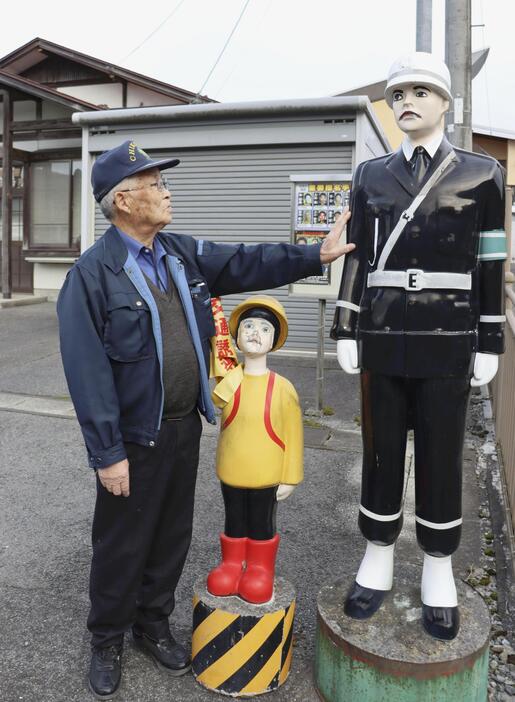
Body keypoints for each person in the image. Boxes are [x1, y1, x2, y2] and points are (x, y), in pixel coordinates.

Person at [57, 140, 354, 699]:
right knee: (122, 540)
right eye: (155, 185)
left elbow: (244, 260)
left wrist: (315, 256)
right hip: (133, 437)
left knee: (171, 532)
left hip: (183, 426)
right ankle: (107, 638)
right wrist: (108, 454)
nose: (167, 193)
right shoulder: (92, 276)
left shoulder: (179, 254)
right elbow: (88, 374)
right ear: (123, 200)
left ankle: (151, 621)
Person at [331, 53, 506, 641]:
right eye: (398, 92)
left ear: (445, 102)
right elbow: (355, 256)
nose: (407, 100)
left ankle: (439, 566)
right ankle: (377, 557)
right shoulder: (371, 175)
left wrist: (490, 338)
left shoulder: (481, 173)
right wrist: (346, 326)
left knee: (440, 450)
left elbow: (490, 260)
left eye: (420, 91)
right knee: (380, 449)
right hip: (382, 330)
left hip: (448, 332)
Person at [206, 296, 302, 604]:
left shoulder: (283, 387)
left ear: (275, 339)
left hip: (267, 472)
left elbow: (294, 436)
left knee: (261, 521)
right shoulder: (232, 380)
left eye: (264, 328)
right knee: (233, 518)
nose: (255, 333)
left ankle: (260, 569)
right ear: (235, 336)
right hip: (232, 469)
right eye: (247, 326)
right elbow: (216, 402)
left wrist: (290, 477)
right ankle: (232, 565)